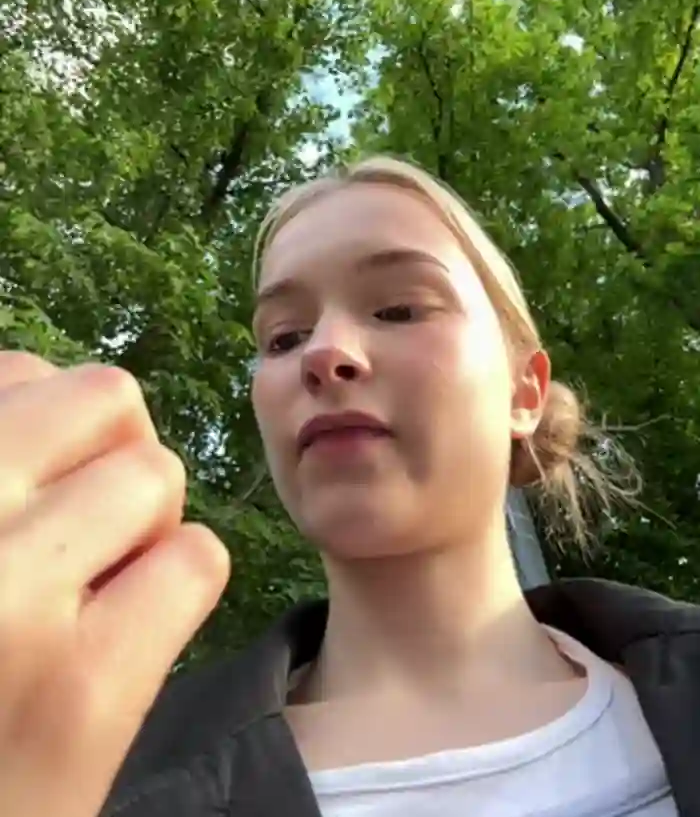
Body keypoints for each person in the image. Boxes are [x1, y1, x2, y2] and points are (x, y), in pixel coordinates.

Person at [0, 157, 696, 817]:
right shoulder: (95, 776)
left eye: (397, 310)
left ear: (525, 393)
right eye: (284, 337)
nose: (324, 351)